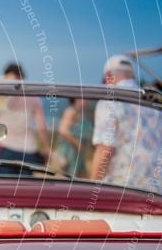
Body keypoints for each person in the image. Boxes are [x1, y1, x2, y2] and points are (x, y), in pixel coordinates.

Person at [91, 54, 162, 192]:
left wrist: (91, 189)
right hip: (156, 191)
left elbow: (105, 150)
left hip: (122, 189)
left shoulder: (109, 100)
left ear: (108, 77)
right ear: (132, 76)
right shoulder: (155, 102)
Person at [0, 62, 51, 174]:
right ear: (23, 76)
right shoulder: (33, 98)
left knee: (4, 187)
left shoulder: (3, 96)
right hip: (28, 149)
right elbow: (41, 127)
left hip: (7, 147)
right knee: (25, 189)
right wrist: (46, 148)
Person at [56, 98, 92, 178]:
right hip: (69, 154)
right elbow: (63, 130)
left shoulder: (81, 113)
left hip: (78, 155)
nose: (86, 101)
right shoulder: (71, 111)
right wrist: (77, 143)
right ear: (76, 100)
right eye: (83, 99)